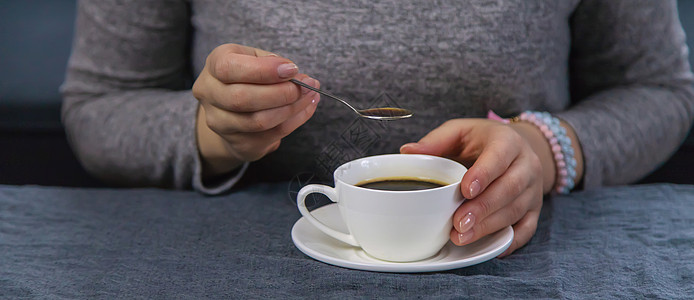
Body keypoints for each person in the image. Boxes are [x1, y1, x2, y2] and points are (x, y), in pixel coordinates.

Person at [61, 0, 694, 257]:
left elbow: (660, 90)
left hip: (517, 260)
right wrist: (213, 133)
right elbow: (100, 107)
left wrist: (545, 148)